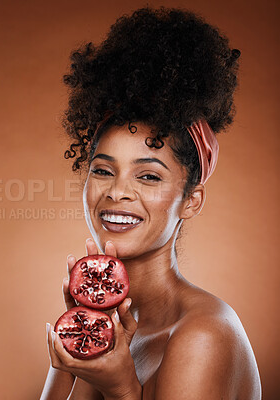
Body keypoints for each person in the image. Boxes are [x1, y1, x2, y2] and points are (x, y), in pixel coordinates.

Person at [41, 7, 261, 400]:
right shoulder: (100, 324)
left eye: (148, 176)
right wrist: (78, 336)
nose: (117, 192)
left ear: (191, 201)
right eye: (103, 171)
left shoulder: (203, 334)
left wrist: (123, 390)